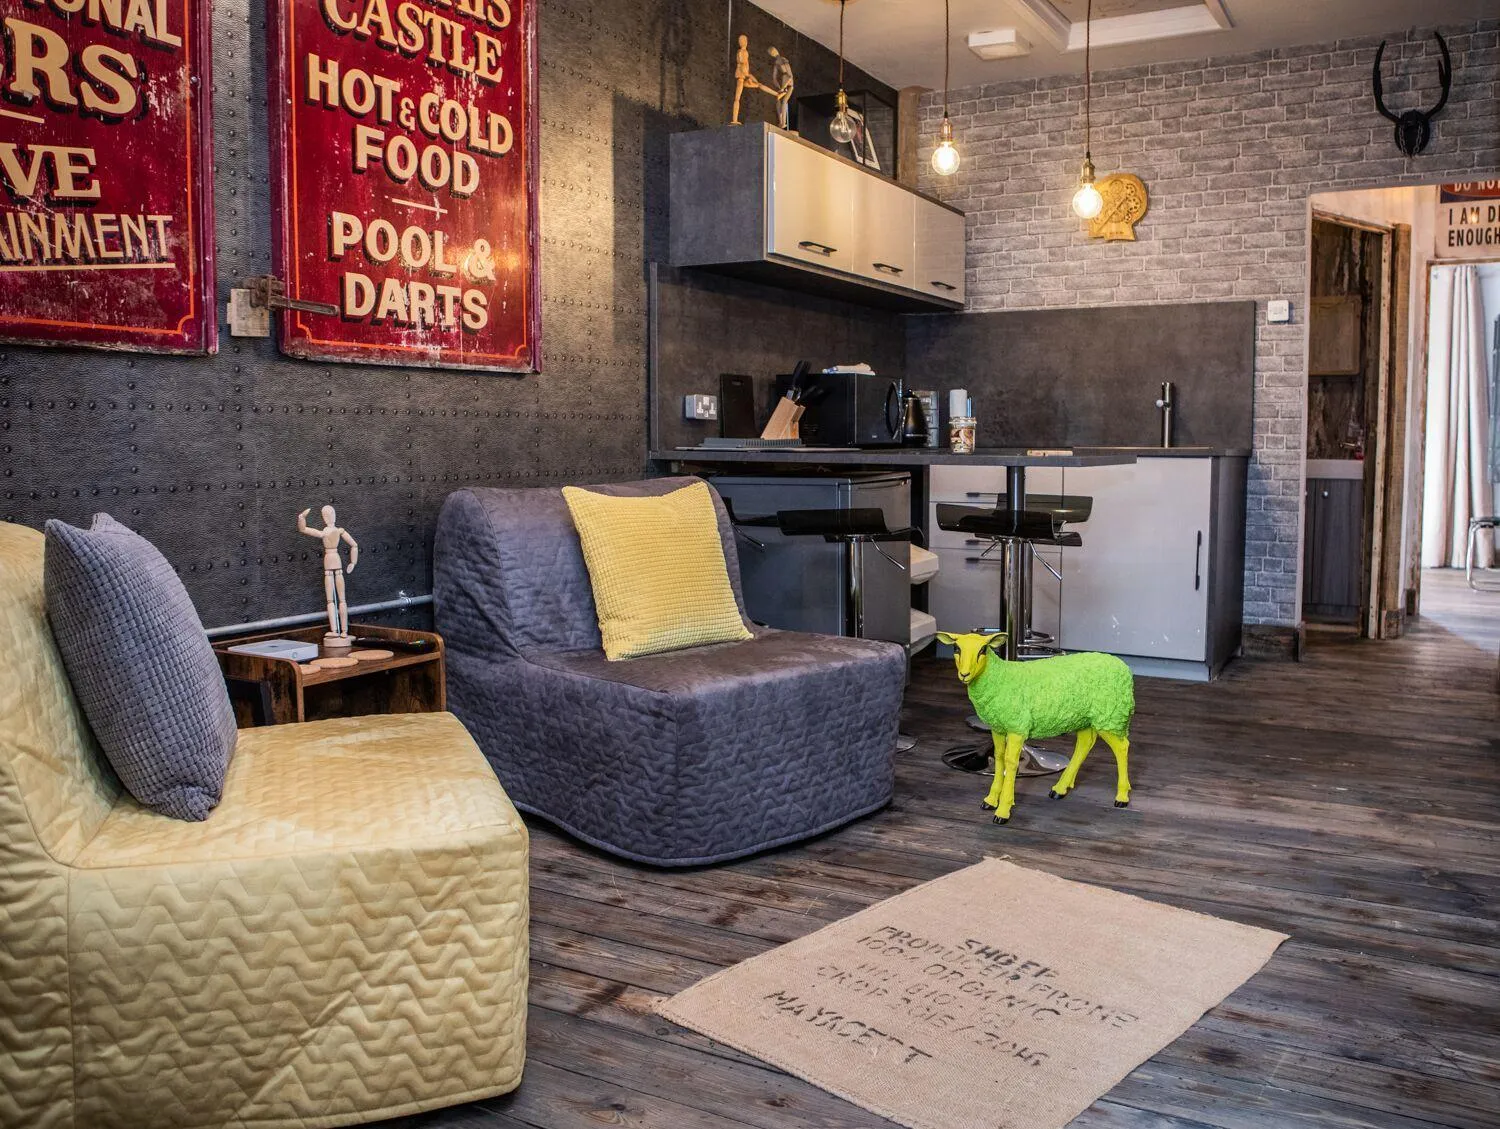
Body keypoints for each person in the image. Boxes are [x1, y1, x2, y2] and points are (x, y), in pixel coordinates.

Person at [297, 504, 359, 644]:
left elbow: (303, 529)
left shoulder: (324, 532)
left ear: (324, 518)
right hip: (336, 560)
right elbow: (354, 545)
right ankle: (342, 631)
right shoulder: (339, 531)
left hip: (329, 561)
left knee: (331, 600)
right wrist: (352, 562)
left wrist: (301, 518)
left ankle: (337, 630)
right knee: (341, 599)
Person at [731, 34, 765, 125]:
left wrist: (749, 77)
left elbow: (744, 66)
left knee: (758, 85)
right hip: (742, 78)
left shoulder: (741, 51)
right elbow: (743, 65)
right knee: (737, 98)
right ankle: (734, 119)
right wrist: (748, 77)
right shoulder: (743, 52)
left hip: (743, 77)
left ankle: (777, 94)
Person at [769, 46, 794, 129]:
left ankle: (783, 122)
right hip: (784, 84)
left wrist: (783, 87)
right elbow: (774, 78)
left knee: (784, 101)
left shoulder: (783, 60)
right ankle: (781, 122)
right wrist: (779, 87)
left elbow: (790, 77)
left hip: (788, 84)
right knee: (778, 100)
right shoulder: (777, 63)